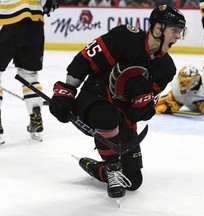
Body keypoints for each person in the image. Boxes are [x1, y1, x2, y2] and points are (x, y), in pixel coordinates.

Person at [48, 5, 186, 199]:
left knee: (133, 180)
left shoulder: (166, 68)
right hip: (94, 99)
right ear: (157, 28)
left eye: (180, 32)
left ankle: (99, 168)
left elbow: (138, 113)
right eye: (174, 31)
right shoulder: (126, 37)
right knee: (107, 116)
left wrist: (141, 102)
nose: (178, 37)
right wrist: (66, 91)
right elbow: (86, 59)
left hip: (121, 114)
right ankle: (113, 168)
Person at [0, 0, 58, 144]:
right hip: (35, 25)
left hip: (7, 21)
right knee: (30, 75)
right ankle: (36, 120)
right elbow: (48, 4)